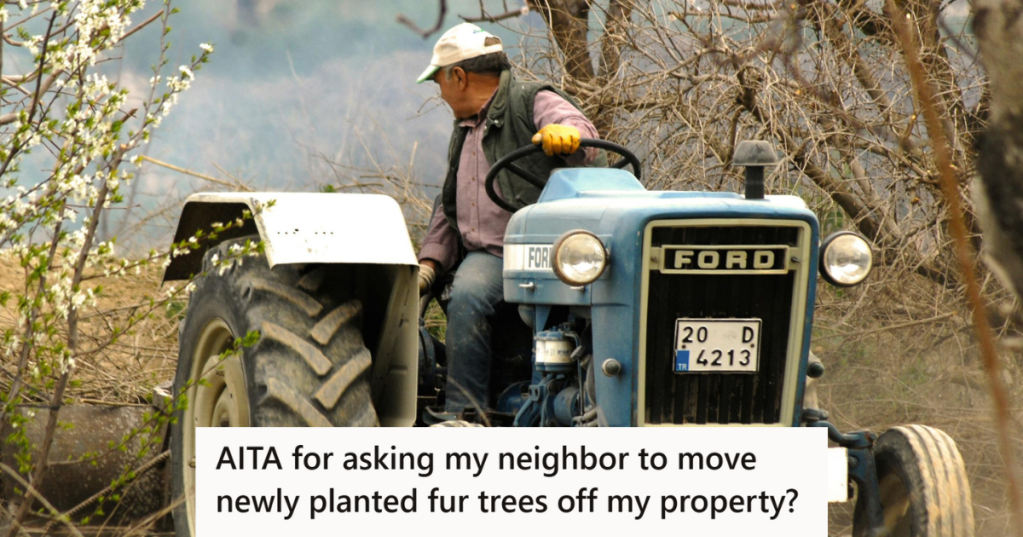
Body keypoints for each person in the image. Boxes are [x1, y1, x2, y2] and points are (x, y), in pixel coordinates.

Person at [415, 23, 604, 421]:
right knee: (468, 291)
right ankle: (463, 417)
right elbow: (450, 207)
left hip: (545, 255)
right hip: (492, 258)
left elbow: (581, 133)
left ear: (459, 77)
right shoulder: (465, 130)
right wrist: (429, 265)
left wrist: (564, 135)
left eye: (439, 80)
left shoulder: (530, 100)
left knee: (468, 293)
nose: (439, 90)